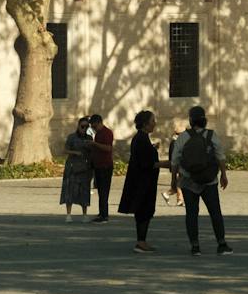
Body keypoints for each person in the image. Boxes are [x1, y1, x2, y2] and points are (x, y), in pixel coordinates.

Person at [169, 104, 232, 255]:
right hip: (209, 180)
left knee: (191, 214)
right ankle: (221, 243)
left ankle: (195, 246)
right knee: (215, 212)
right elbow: (220, 157)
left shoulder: (183, 137)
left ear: (191, 121)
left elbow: (175, 161)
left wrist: (173, 181)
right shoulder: (211, 135)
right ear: (204, 120)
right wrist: (223, 175)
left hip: (188, 181)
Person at [119, 110, 162, 253]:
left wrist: (152, 149)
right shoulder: (141, 139)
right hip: (143, 182)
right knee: (144, 210)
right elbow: (147, 163)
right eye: (152, 121)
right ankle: (141, 241)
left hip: (143, 181)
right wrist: (169, 164)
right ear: (145, 124)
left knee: (144, 210)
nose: (154, 124)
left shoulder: (142, 138)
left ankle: (142, 240)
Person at [61, 116, 95, 220]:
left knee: (84, 190)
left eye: (86, 127)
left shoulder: (89, 138)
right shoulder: (72, 137)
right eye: (82, 126)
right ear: (78, 126)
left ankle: (84, 215)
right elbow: (65, 150)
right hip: (72, 166)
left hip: (85, 167)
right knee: (70, 190)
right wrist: (75, 152)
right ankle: (68, 215)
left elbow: (92, 152)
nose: (84, 129)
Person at [90, 113, 116, 221]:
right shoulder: (98, 134)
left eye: (94, 126)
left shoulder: (107, 133)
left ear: (99, 123)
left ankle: (104, 215)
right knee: (100, 190)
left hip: (105, 166)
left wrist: (94, 144)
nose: (93, 128)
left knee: (104, 190)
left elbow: (108, 148)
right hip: (98, 165)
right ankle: (102, 212)